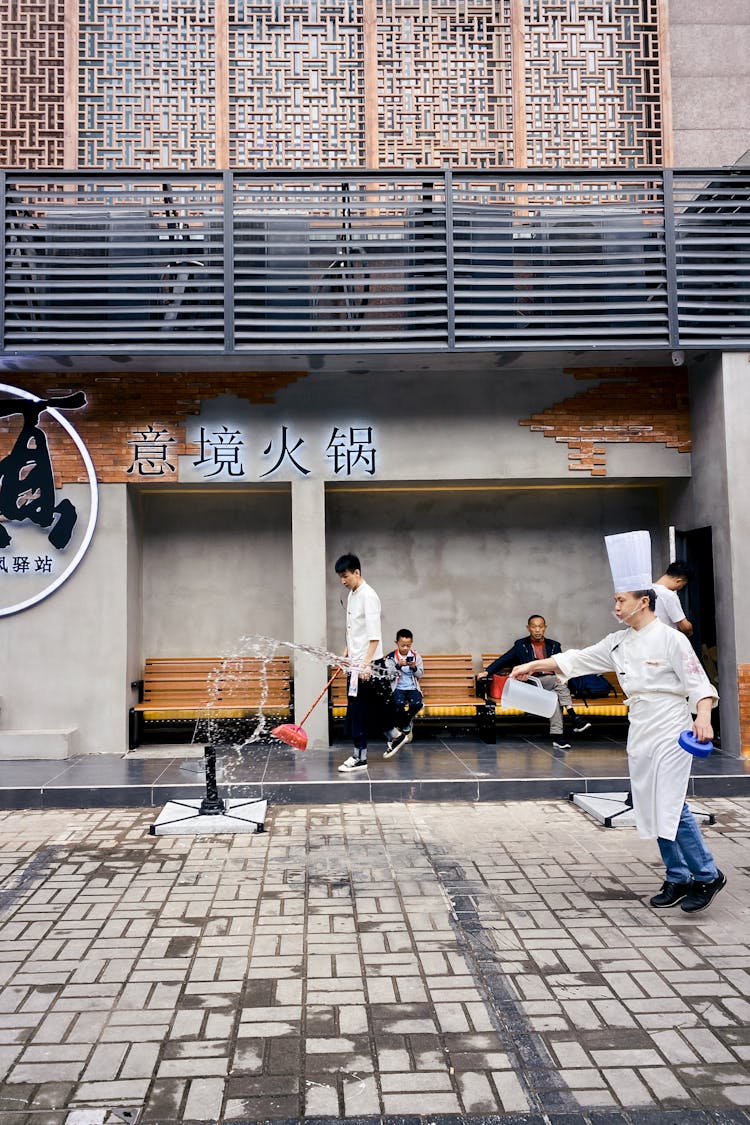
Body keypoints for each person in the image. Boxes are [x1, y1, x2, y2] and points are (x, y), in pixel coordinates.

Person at [509, 587, 725, 914]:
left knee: (668, 801)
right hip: (640, 725)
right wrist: (533, 666)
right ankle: (678, 875)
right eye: (615, 600)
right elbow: (576, 659)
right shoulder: (617, 641)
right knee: (648, 802)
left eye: (621, 600)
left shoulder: (671, 639)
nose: (616, 606)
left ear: (643, 602)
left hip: (670, 723)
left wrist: (704, 718)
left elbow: (698, 683)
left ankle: (707, 874)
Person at [334, 554, 408, 773]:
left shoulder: (369, 596)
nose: (343, 581)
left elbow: (374, 636)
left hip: (369, 666)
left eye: (345, 576)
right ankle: (394, 736)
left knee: (358, 711)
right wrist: (347, 649)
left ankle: (360, 757)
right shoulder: (352, 595)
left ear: (357, 572)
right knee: (372, 709)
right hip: (357, 662)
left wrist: (366, 664)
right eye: (340, 577)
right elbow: (355, 630)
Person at [478, 615, 591, 749]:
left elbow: (561, 666)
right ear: (528, 628)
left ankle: (557, 737)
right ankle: (573, 716)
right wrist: (487, 672)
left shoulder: (554, 646)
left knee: (555, 695)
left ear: (545, 628)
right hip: (532, 684)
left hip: (552, 684)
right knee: (558, 681)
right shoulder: (521, 645)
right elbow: (504, 659)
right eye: (534, 626)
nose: (537, 630)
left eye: (540, 627)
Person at [383, 628, 424, 757]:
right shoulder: (390, 657)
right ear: (397, 643)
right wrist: (397, 666)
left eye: (408, 645)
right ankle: (406, 724)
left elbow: (420, 674)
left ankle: (403, 723)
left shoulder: (416, 656)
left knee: (417, 704)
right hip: (398, 688)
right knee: (398, 704)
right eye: (403, 645)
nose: (405, 648)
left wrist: (414, 667)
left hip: (412, 687)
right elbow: (388, 676)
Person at [653, 561, 693, 636]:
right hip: (665, 641)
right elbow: (685, 626)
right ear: (678, 581)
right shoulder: (669, 595)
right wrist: (690, 630)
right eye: (683, 585)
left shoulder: (647, 590)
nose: (680, 588)